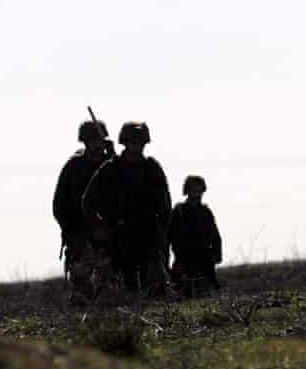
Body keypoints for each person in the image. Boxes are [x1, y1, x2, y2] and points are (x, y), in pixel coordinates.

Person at [81, 121, 172, 294]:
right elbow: (88, 201)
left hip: (148, 235)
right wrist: (98, 226)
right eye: (133, 142)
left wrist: (161, 232)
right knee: (121, 289)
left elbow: (165, 204)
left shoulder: (152, 168)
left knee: (156, 289)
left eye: (140, 142)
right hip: (120, 236)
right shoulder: (110, 169)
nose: (137, 146)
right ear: (125, 142)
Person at [53, 119, 114, 292]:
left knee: (108, 288)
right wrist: (72, 232)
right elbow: (59, 205)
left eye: (99, 140)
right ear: (85, 142)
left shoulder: (112, 165)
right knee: (81, 289)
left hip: (107, 234)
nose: (97, 144)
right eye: (92, 140)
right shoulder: (74, 166)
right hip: (80, 233)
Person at [168, 175, 223, 296]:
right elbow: (170, 237)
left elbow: (215, 235)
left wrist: (217, 254)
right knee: (180, 294)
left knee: (209, 294)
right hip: (184, 260)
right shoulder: (179, 211)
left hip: (204, 261)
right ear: (187, 190)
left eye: (199, 189)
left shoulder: (205, 212)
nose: (197, 193)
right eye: (194, 189)